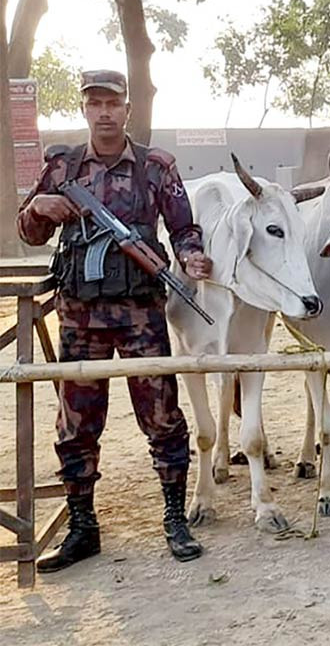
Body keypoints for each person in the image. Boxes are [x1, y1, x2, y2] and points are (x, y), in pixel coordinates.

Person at [17, 70, 210, 571]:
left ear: (127, 109)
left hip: (142, 314)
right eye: (95, 103)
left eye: (113, 103)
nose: (104, 112)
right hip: (80, 315)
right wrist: (41, 205)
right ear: (85, 109)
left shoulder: (155, 166)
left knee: (163, 417)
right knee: (75, 424)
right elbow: (31, 231)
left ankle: (174, 517)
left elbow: (184, 227)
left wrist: (191, 259)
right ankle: (83, 528)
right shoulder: (63, 166)